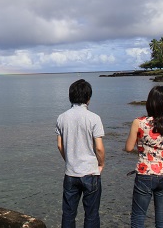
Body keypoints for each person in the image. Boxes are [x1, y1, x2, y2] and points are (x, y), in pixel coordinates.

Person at [125, 86, 163, 228]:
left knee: (138, 217)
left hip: (145, 173)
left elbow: (128, 148)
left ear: (150, 103)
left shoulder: (139, 122)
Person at [55, 79, 105, 228]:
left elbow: (59, 145)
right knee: (91, 214)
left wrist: (69, 160)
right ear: (88, 98)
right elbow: (99, 148)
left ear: (70, 97)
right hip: (90, 172)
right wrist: (101, 164)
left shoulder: (61, 117)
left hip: (71, 173)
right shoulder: (94, 118)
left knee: (69, 213)